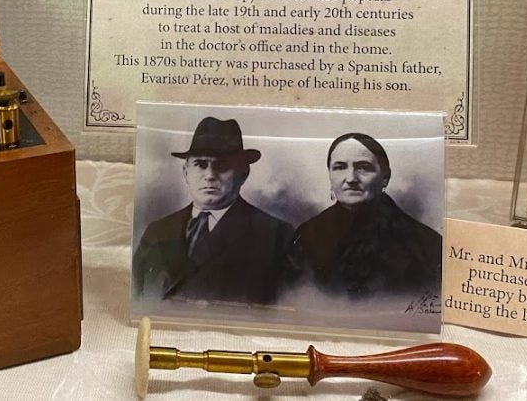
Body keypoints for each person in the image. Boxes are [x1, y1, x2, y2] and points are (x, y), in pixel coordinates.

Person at [132, 117, 294, 305]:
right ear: (186, 172)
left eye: (222, 165)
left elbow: (289, 308)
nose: (209, 175)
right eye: (200, 164)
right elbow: (138, 296)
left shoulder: (277, 235)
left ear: (243, 173)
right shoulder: (158, 231)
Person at [292, 133, 442, 299]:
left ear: (385, 177)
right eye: (340, 167)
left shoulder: (425, 244)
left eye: (363, 167)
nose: (351, 179)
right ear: (330, 174)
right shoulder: (306, 235)